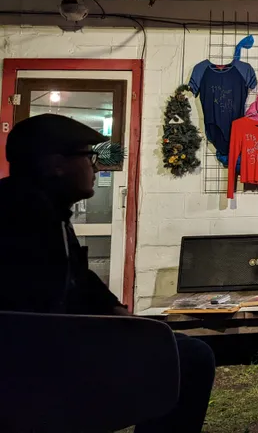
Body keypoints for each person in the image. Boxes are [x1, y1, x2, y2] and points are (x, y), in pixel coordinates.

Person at [0, 114, 215, 433]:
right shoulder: (24, 217)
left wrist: (118, 312)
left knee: (175, 347)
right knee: (190, 356)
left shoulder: (45, 208)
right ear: (55, 164)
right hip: (37, 370)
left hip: (48, 357)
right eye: (88, 155)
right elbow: (41, 310)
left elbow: (79, 277)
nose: (97, 166)